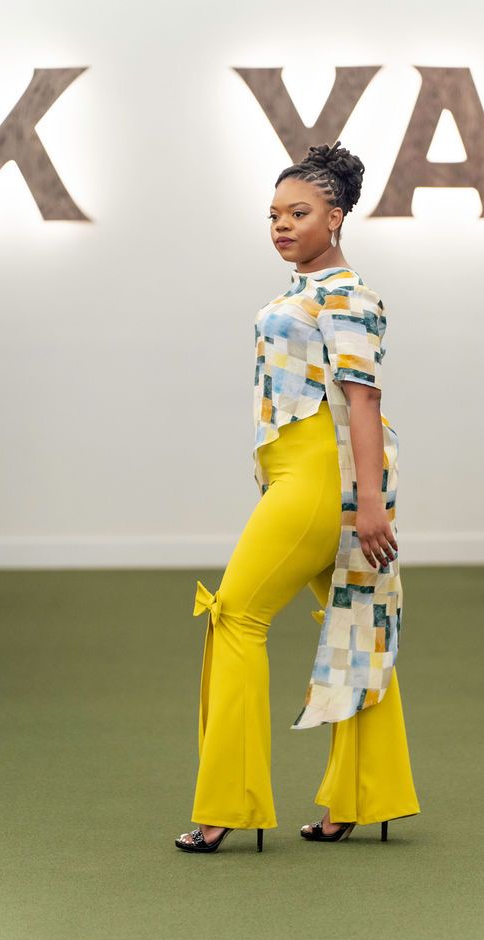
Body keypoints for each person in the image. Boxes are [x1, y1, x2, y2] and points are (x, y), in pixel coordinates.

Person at [175, 140, 421, 854]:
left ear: (336, 218)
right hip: (297, 475)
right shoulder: (298, 293)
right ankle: (363, 795)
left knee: (236, 618)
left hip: (322, 479)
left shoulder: (347, 296)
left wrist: (368, 502)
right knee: (358, 623)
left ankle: (231, 802)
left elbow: (364, 400)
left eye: (299, 212)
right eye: (275, 214)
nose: (281, 225)